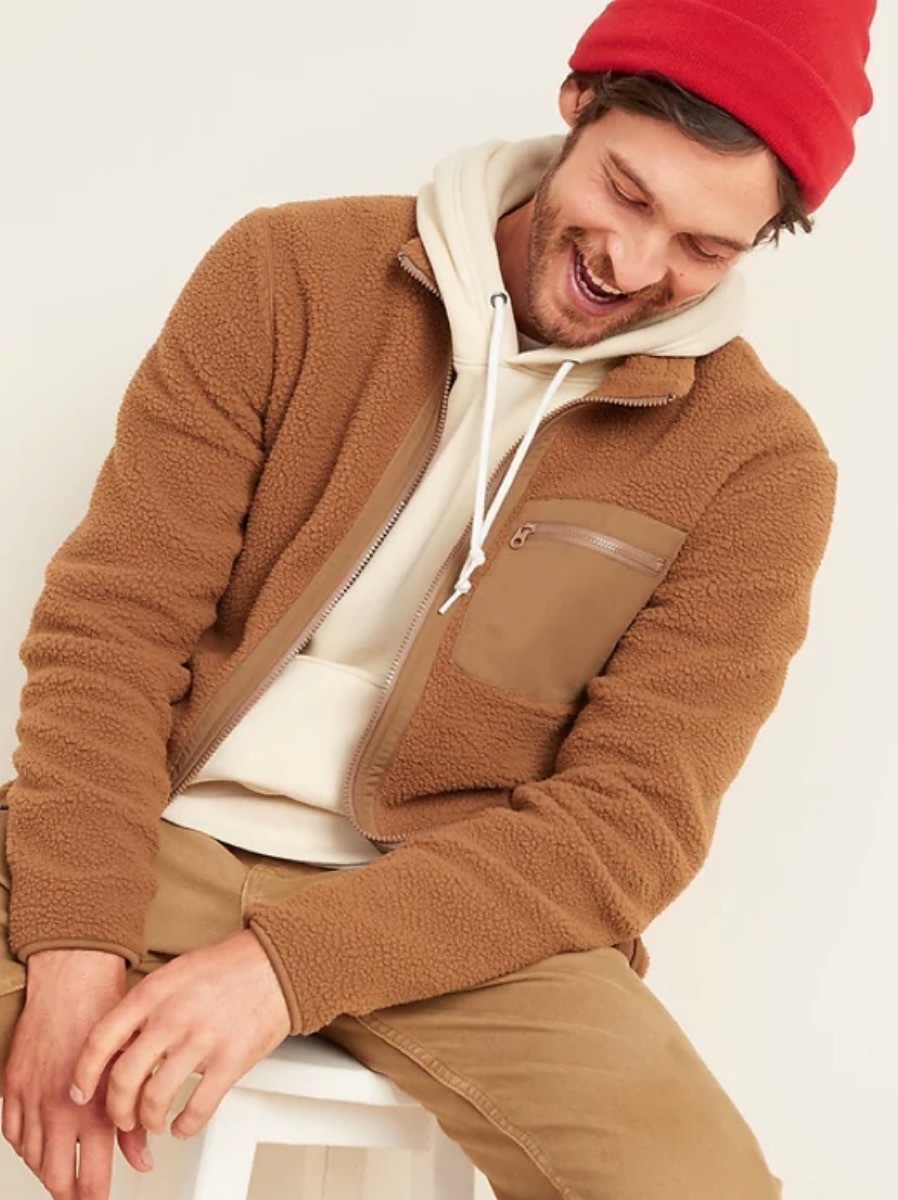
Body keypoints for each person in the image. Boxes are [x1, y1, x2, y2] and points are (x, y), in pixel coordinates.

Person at [0, 1, 877, 1197]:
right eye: (625, 193)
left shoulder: (758, 466)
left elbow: (626, 824)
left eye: (703, 247)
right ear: (577, 103)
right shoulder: (289, 274)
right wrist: (71, 944)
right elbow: (113, 632)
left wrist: (285, 968)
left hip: (460, 913)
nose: (631, 266)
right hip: (158, 833)